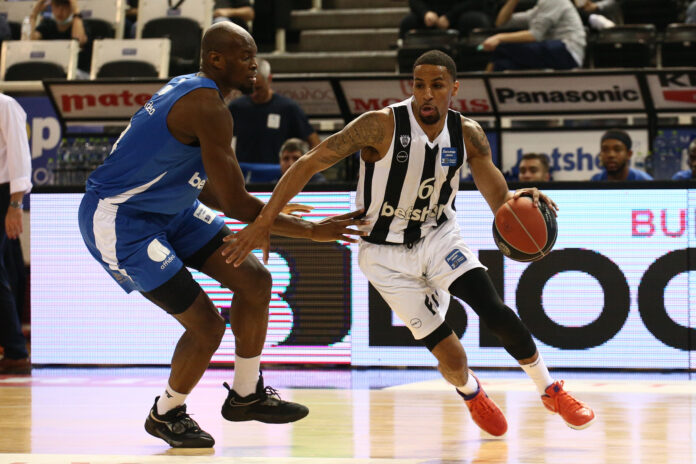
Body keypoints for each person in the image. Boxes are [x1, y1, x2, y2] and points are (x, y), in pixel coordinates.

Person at [224, 50, 596, 436]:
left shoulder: (467, 134)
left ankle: (550, 391)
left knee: (493, 308)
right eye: (419, 85)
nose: (427, 94)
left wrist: (518, 201)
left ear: (454, 88)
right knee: (453, 358)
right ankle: (471, 392)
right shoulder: (379, 125)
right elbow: (308, 163)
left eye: (437, 85)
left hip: (438, 237)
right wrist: (264, 221)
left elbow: (498, 197)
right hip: (383, 255)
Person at [77, 22, 366, 448]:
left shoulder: (194, 90)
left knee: (255, 280)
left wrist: (269, 211)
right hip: (122, 220)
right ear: (216, 59)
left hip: (170, 207)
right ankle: (166, 413)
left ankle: (247, 394)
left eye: (254, 57)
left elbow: (205, 187)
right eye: (245, 57)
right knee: (207, 327)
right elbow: (234, 204)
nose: (255, 67)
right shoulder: (207, 106)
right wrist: (311, 230)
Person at [228, 58, 320, 165]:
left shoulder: (288, 108)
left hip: (278, 171)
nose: (253, 93)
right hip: (246, 172)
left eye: (258, 88)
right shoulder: (236, 108)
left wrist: (305, 168)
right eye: (249, 88)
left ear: (269, 79)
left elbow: (315, 143)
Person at [0, 93, 33, 375]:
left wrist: (15, 204)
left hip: (3, 194)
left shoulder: (5, 105)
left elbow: (20, 157)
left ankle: (16, 352)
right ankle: (13, 349)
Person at [482, 0, 586, 71]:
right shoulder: (538, 10)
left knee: (501, 48)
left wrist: (499, 38)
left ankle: (484, 90)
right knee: (502, 64)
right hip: (555, 51)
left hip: (567, 50)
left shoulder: (554, 1)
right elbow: (501, 23)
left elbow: (535, 35)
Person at [29, 0, 92, 75]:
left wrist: (76, 12)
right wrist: (34, 14)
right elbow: (31, 42)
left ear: (71, 8)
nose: (60, 10)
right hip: (52, 71)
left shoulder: (80, 25)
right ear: (51, 5)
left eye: (65, 6)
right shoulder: (47, 24)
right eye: (57, 5)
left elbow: (78, 40)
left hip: (78, 73)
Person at [400, 0, 498, 39]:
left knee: (477, 21)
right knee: (408, 23)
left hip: (460, 14)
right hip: (432, 16)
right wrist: (425, 13)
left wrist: (450, 17)